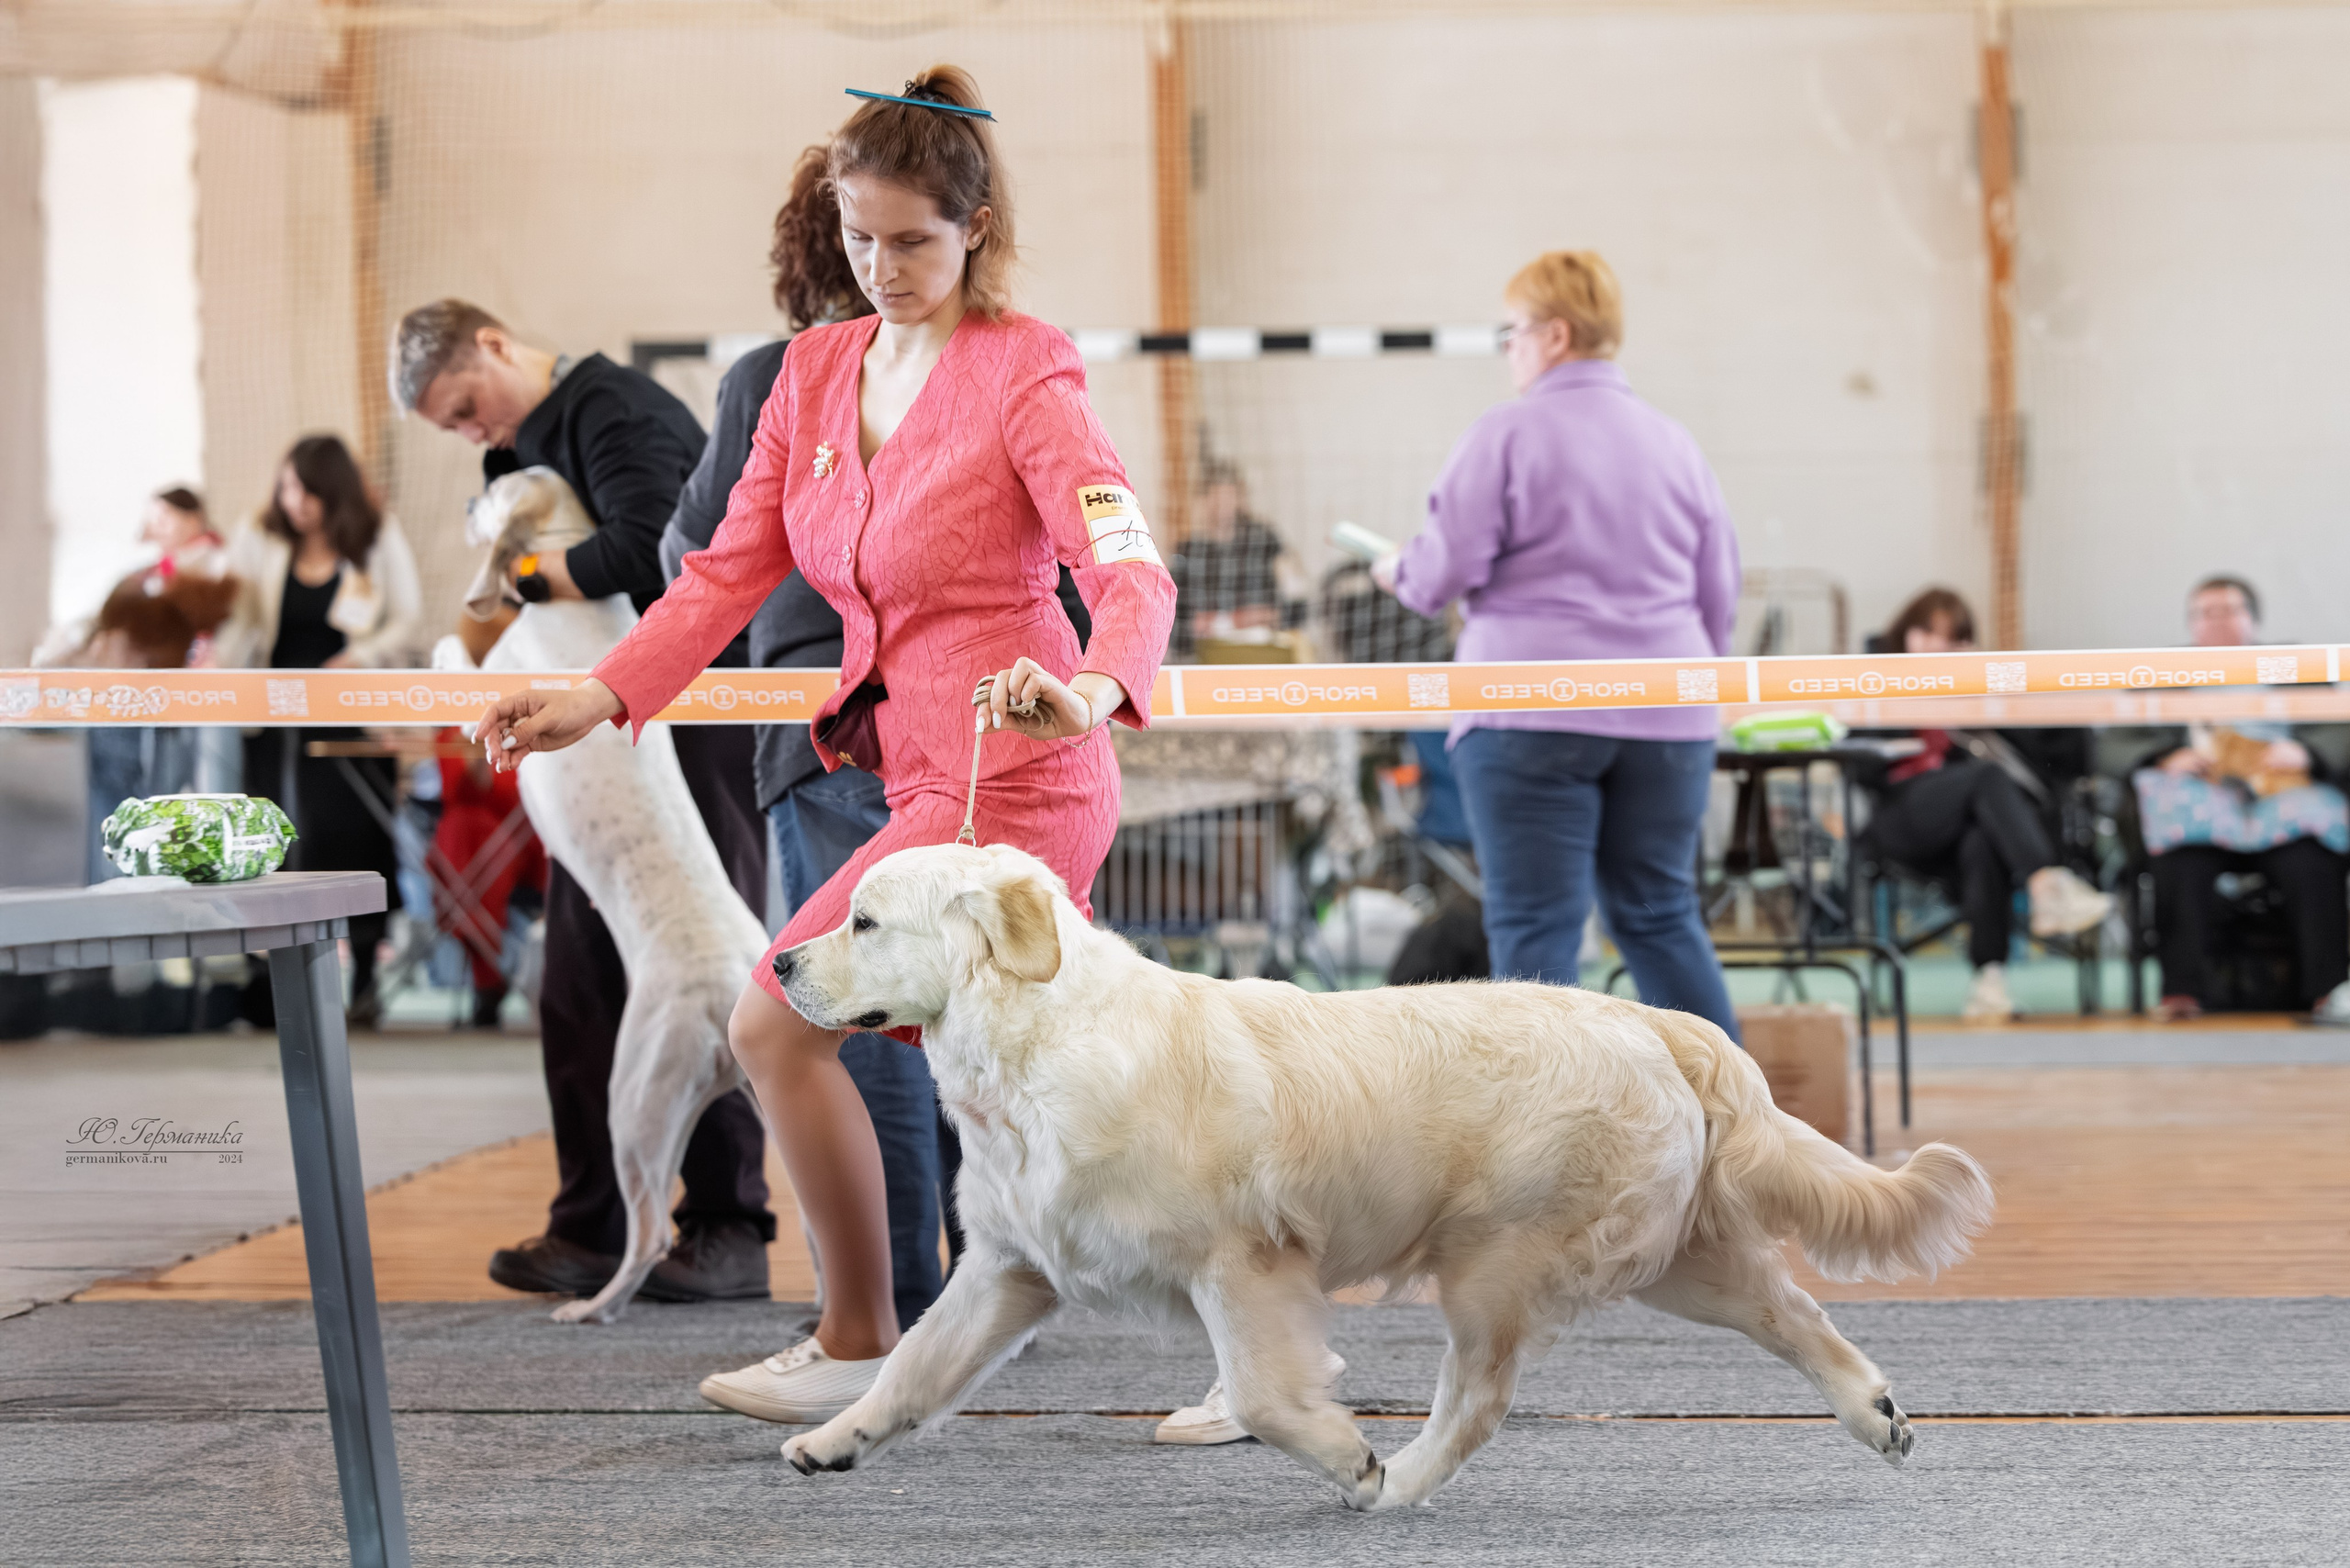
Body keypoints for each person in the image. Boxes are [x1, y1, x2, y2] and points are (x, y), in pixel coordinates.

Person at [466, 67, 1178, 1429]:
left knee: (780, 1020)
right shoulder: (808, 373)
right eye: (859, 237)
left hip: (1017, 777)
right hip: (911, 776)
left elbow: (1128, 568)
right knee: (1027, 1093)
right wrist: (596, 697)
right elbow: (722, 575)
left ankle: (863, 1335)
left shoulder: (1028, 368)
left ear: (974, 228)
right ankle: (964, 1327)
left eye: (912, 240)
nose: (881, 266)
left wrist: (1092, 689)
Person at [391, 299, 780, 1304]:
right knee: (576, 983)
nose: (470, 433)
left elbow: (653, 552)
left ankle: (729, 1224)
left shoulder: (617, 410)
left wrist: (524, 573)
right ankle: (593, 1227)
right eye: (452, 428)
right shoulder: (516, 451)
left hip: (703, 706)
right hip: (603, 731)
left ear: (493, 345)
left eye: (465, 406)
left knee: (712, 968)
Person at [1371, 250, 1741, 1038]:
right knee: (1661, 916)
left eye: (1513, 332)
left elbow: (1440, 575)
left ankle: (1549, 1121)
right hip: (1668, 717)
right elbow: (1719, 595)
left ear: (1556, 334)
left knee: (1536, 929)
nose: (1509, 349)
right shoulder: (1676, 443)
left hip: (1529, 712)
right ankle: (1738, 1111)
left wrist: (1397, 568)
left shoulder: (1505, 433)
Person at [218, 436, 422, 1021]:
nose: (294, 501)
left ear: (334, 491)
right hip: (271, 714)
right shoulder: (258, 535)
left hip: (351, 714)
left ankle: (364, 976)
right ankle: (267, 984)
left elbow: (407, 619)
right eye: (286, 488)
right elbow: (234, 619)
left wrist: (358, 657)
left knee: (350, 840)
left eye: (306, 490)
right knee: (271, 842)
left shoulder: (375, 535)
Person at [1854, 588, 2112, 1021]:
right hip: (1903, 814)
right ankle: (2047, 886)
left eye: (1951, 639)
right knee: (1985, 778)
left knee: (1982, 844)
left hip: (1971, 824)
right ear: (1905, 634)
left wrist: (1985, 697)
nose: (1937, 647)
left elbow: (2065, 754)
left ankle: (1989, 984)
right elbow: (1861, 766)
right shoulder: (1873, 679)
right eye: (1927, 634)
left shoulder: (1980, 690)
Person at [2132, 577, 2349, 1023]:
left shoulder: (2296, 668)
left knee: (2314, 859)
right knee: (2179, 862)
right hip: (2199, 808)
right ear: (2190, 624)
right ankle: (2182, 991)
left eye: (2229, 611)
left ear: (2253, 620)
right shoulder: (2161, 674)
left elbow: (2340, 728)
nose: (2217, 621)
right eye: (2205, 613)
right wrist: (2165, 757)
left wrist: (2306, 753)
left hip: (2283, 802)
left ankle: (2327, 991)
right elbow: (2116, 742)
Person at [1166, 458, 1301, 657]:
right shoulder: (1187, 551)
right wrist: (1232, 621)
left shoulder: (1265, 541)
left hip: (1261, 652)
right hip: (1206, 655)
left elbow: (1296, 601)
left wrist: (1262, 617)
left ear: (1239, 497)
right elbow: (1177, 621)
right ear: (1203, 499)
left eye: (1227, 495)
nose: (1221, 503)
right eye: (1214, 495)